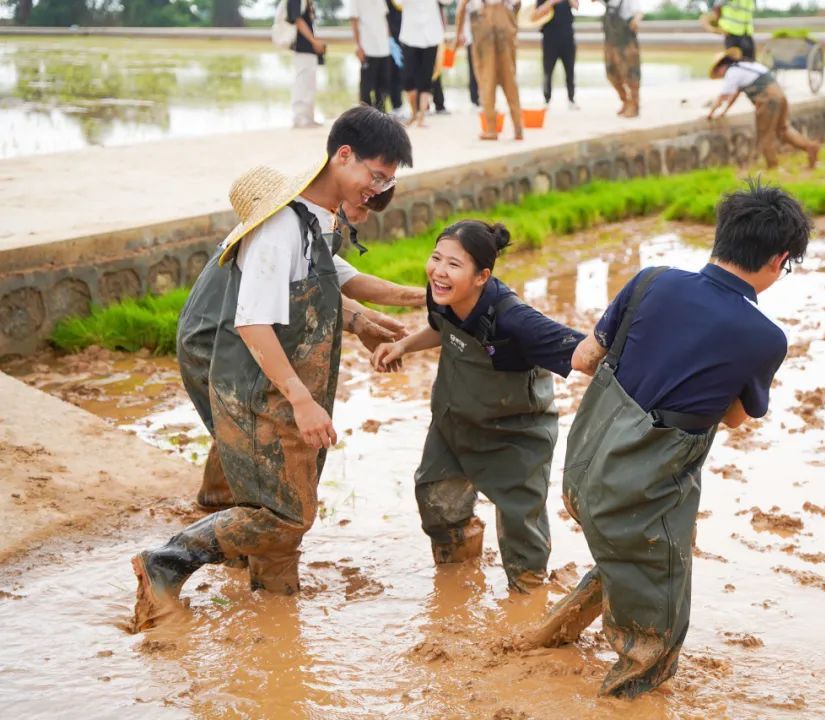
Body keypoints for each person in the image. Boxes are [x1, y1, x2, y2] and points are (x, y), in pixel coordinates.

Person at [131, 106, 414, 632]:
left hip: (273, 378)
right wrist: (301, 400)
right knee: (285, 514)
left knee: (287, 497)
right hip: (255, 380)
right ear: (342, 155)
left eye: (387, 182)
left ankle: (274, 613)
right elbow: (255, 323)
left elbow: (331, 280)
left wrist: (419, 297)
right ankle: (165, 563)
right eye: (374, 177)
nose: (376, 191)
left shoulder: (316, 221)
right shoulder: (281, 225)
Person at [524, 182, 810, 697]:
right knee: (655, 639)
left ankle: (543, 639)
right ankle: (625, 703)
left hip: (584, 478)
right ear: (779, 259)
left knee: (629, 552)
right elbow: (738, 418)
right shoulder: (764, 338)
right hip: (643, 495)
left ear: (722, 236)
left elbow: (584, 359)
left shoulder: (651, 280)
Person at [178, 191, 426, 514]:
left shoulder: (306, 228)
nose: (363, 218)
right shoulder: (278, 236)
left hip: (236, 338)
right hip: (212, 341)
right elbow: (297, 299)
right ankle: (228, 521)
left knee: (240, 429)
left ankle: (215, 504)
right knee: (249, 434)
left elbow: (343, 283)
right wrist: (362, 321)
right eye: (362, 207)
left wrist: (426, 298)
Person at [371, 221, 585, 592]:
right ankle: (458, 578)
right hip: (454, 423)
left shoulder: (515, 319)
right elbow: (442, 326)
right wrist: (404, 345)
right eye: (436, 258)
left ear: (482, 276)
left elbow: (584, 353)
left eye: (453, 265)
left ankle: (527, 599)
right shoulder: (441, 293)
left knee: (522, 525)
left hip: (515, 434)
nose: (439, 270)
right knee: (435, 499)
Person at [706, 47, 820, 169]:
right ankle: (810, 147)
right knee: (783, 129)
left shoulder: (732, 72)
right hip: (779, 96)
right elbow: (735, 94)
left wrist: (711, 113)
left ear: (721, 67)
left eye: (718, 72)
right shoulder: (747, 66)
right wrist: (724, 111)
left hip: (767, 100)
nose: (720, 75)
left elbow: (723, 96)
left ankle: (772, 167)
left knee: (765, 135)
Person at [456, 0, 524, 140]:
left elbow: (462, 7)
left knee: (486, 80)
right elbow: (517, 4)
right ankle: (518, 128)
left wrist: (458, 33)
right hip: (504, 27)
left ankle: (491, 129)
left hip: (483, 28)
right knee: (510, 79)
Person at [400, 0, 449, 127]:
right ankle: (414, 113)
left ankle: (422, 116)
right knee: (408, 78)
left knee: (426, 77)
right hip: (410, 34)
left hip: (431, 35)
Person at [597, 0, 642, 118]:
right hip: (610, 44)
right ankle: (625, 101)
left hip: (626, 43)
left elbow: (638, 12)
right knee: (611, 75)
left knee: (631, 75)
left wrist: (636, 20)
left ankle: (634, 105)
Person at [287, 0, 327, 128]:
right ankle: (299, 118)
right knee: (302, 83)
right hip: (302, 47)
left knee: (309, 84)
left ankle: (309, 117)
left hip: (309, 50)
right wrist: (313, 41)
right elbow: (297, 20)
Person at [534, 0, 578, 109]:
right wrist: (551, 2)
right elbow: (536, 14)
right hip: (549, 37)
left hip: (567, 36)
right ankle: (547, 99)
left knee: (570, 70)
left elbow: (576, 6)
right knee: (547, 71)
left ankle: (571, 99)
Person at [350, 0, 394, 111]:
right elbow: (354, 21)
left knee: (383, 88)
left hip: (384, 49)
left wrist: (390, 42)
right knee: (366, 88)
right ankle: (364, 117)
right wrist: (358, 46)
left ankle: (381, 115)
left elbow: (384, 20)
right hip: (368, 49)